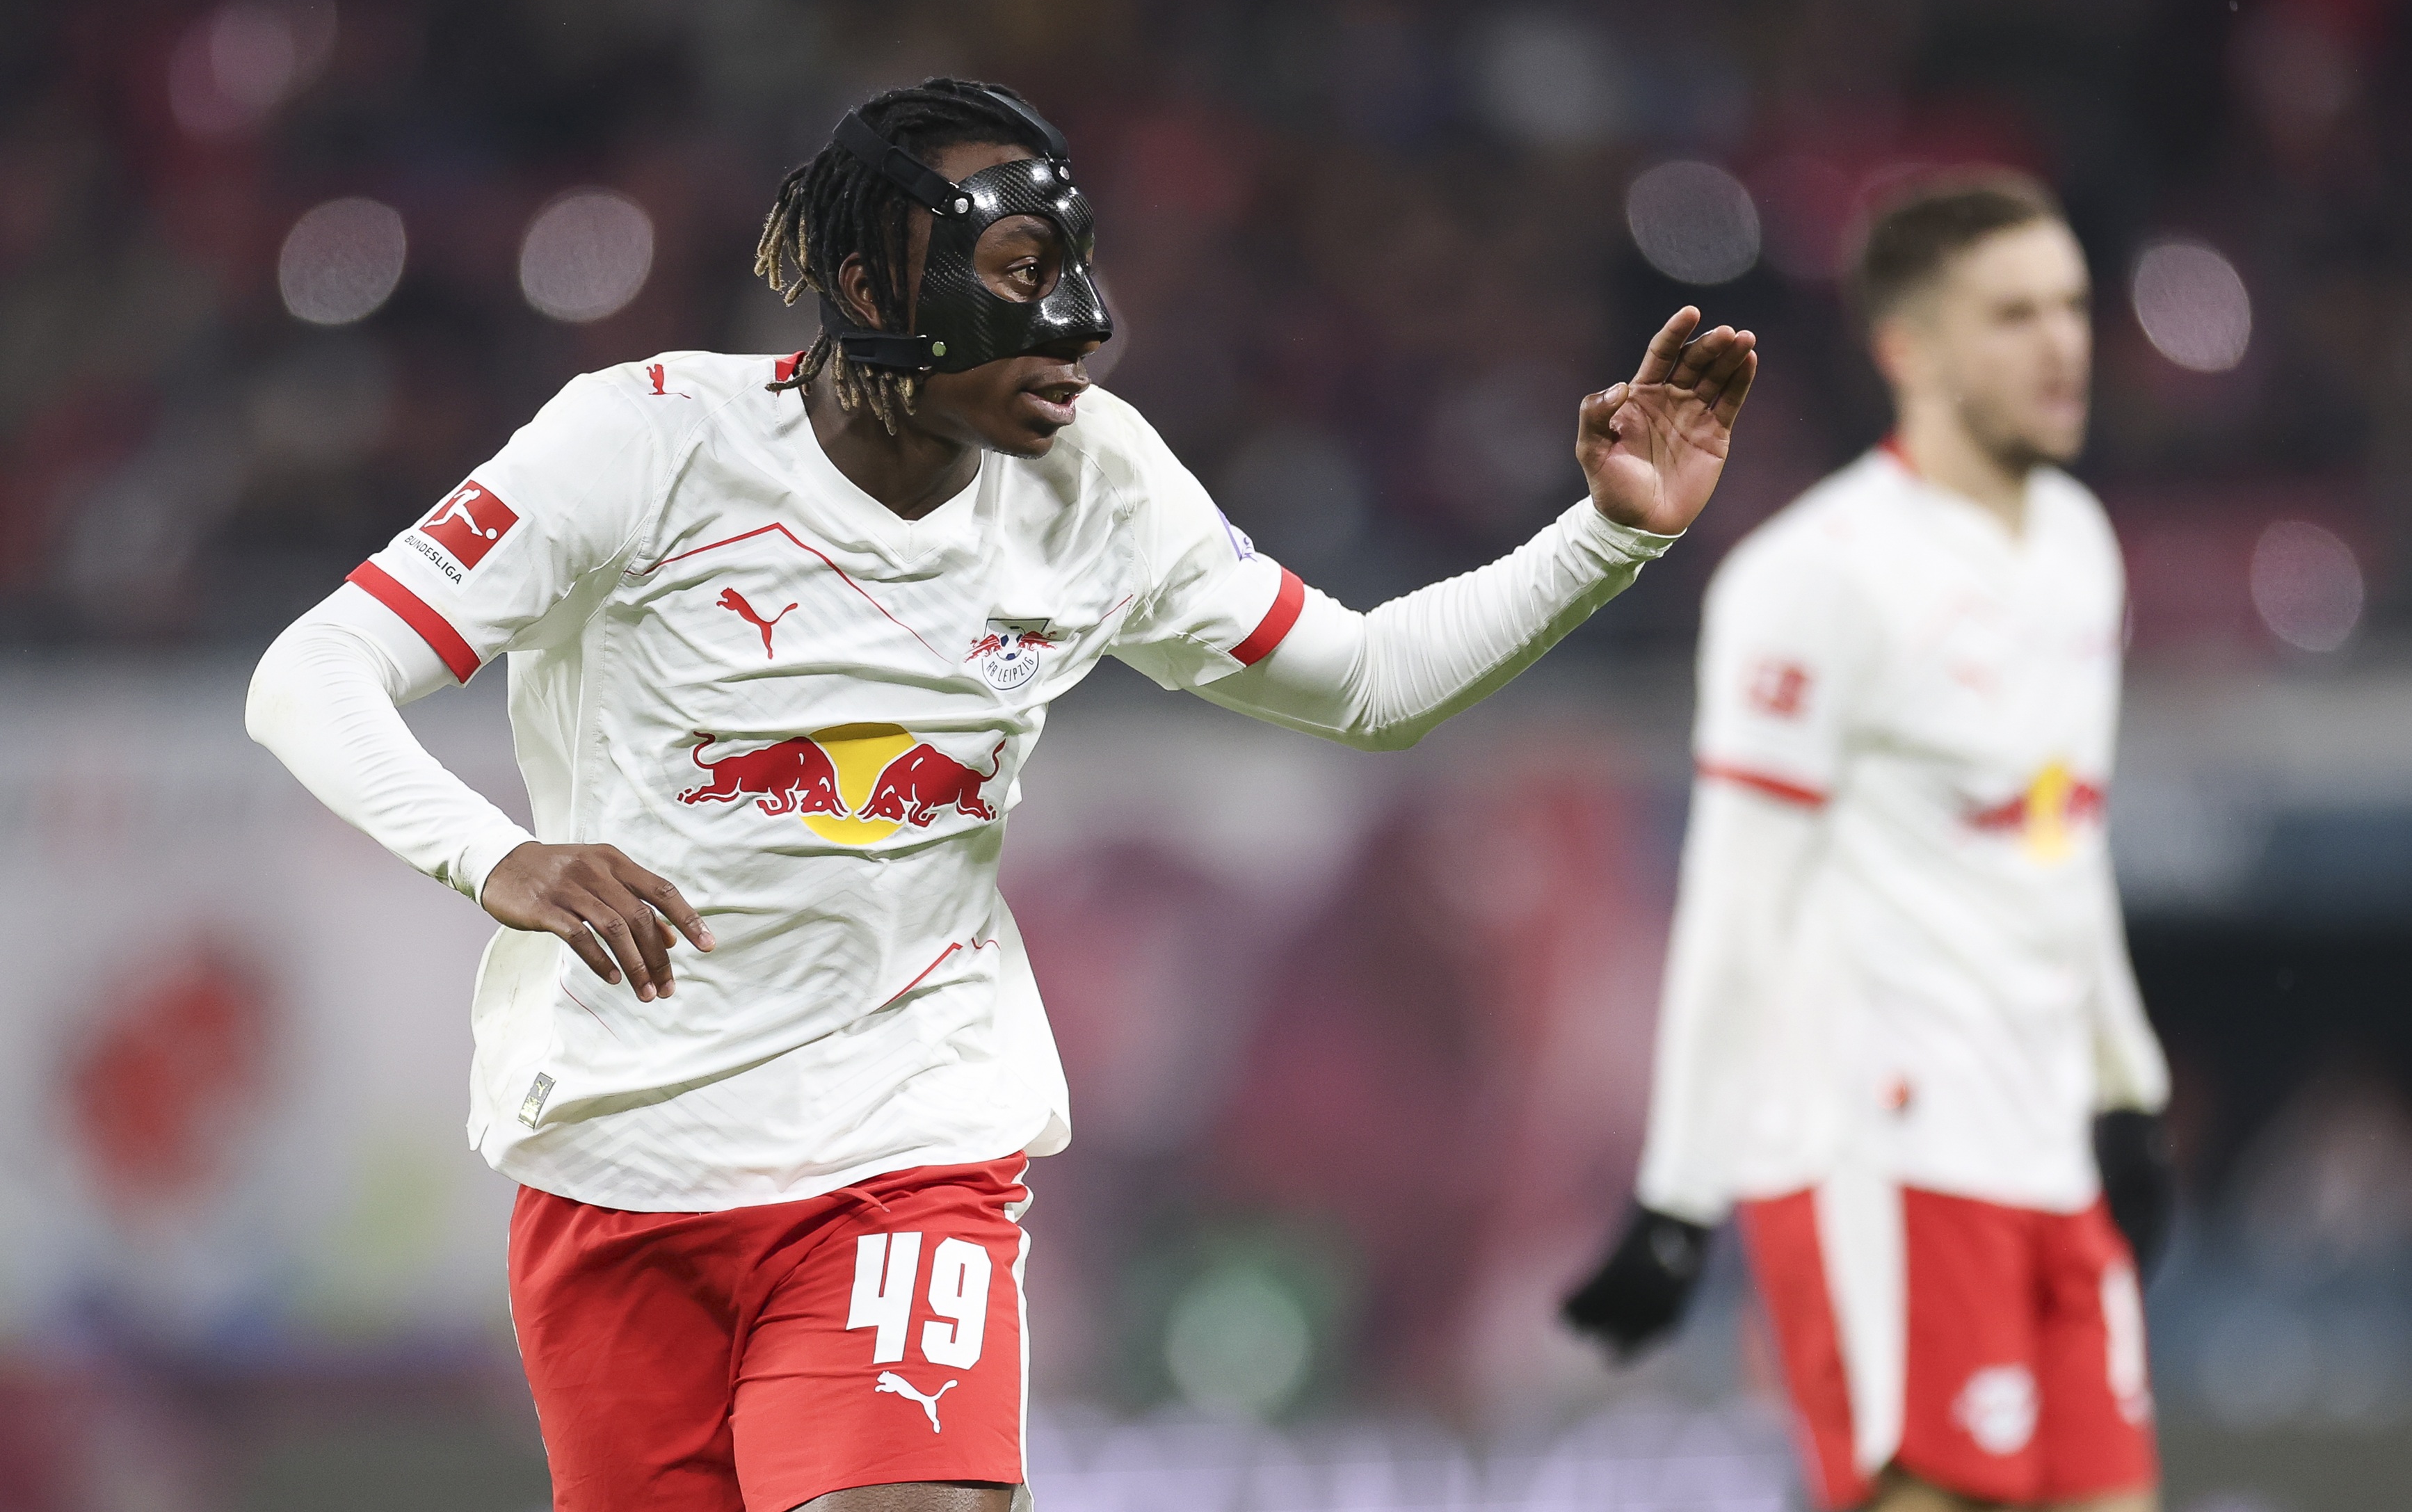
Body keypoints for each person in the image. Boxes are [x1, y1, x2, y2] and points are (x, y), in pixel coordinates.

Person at [246, 77, 1758, 1512]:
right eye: (1023, 267)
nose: (1082, 323)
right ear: (874, 287)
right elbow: (314, 673)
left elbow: (1366, 684)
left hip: (906, 1150)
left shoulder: (1097, 486)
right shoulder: (640, 445)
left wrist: (1606, 537)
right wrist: (492, 855)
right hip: (622, 1165)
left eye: (1081, 267)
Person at [1561, 171, 2174, 1512]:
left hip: (2047, 1149)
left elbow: (2068, 842)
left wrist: (2126, 1086)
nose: (2064, 342)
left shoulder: (2079, 548)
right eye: (2013, 315)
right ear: (1910, 350)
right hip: (1881, 1157)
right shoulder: (1812, 578)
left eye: (2071, 305)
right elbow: (1736, 901)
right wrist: (1679, 1199)